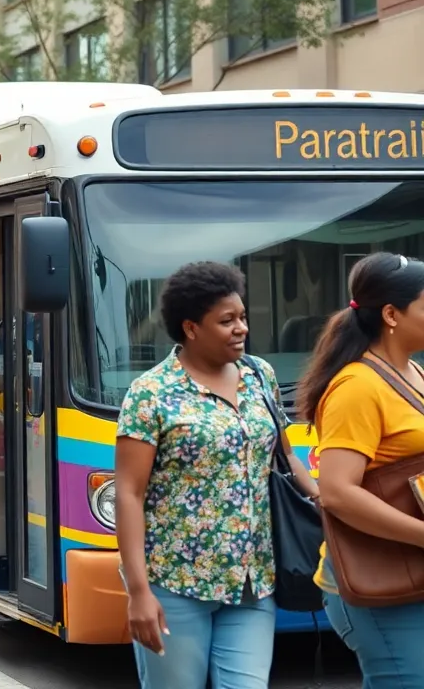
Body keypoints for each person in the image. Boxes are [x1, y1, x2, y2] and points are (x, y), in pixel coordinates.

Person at [114, 262, 317, 689]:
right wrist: (138, 592)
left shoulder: (260, 375)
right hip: (174, 582)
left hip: (253, 579)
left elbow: (285, 457)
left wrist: (329, 503)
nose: (241, 328)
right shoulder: (151, 393)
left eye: (242, 317)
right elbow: (129, 494)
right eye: (226, 321)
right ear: (190, 327)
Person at [298, 252, 424, 684]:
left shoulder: (412, 372)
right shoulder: (357, 386)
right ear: (392, 313)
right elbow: (336, 491)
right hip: (377, 582)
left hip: (409, 567)